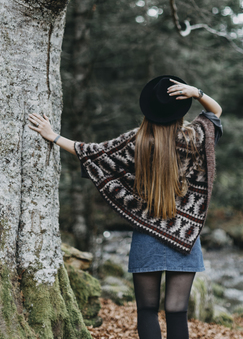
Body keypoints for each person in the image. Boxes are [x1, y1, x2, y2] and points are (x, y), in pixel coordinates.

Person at [28, 75, 222, 339]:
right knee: (177, 311)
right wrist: (197, 93)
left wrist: (54, 137)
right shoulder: (194, 137)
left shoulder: (137, 141)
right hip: (185, 235)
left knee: (146, 310)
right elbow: (215, 112)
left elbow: (91, 152)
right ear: (180, 110)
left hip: (147, 235)